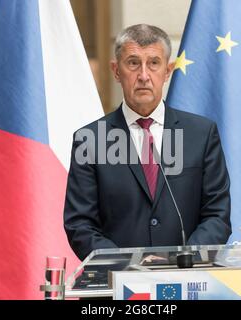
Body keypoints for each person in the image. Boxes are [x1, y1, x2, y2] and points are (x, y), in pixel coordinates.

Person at [64, 24, 231, 261]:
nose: (143, 75)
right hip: (117, 286)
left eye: (154, 63)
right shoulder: (90, 140)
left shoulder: (201, 134)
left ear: (168, 71)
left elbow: (217, 215)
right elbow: (79, 224)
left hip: (187, 281)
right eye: (133, 63)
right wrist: (130, 265)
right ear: (116, 71)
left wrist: (181, 261)